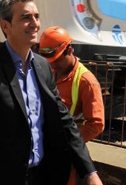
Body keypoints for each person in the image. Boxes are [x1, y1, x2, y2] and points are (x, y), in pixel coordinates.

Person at [0, 0, 103, 185]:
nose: (35, 23)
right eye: (25, 17)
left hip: (41, 177)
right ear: (6, 26)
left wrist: (89, 171)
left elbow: (65, 122)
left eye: (36, 17)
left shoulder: (43, 67)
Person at [38, 26, 105, 185]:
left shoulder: (86, 82)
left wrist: (69, 144)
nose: (53, 66)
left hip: (65, 151)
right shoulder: (50, 71)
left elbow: (96, 124)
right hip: (45, 146)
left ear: (70, 50)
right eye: (49, 62)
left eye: (57, 60)